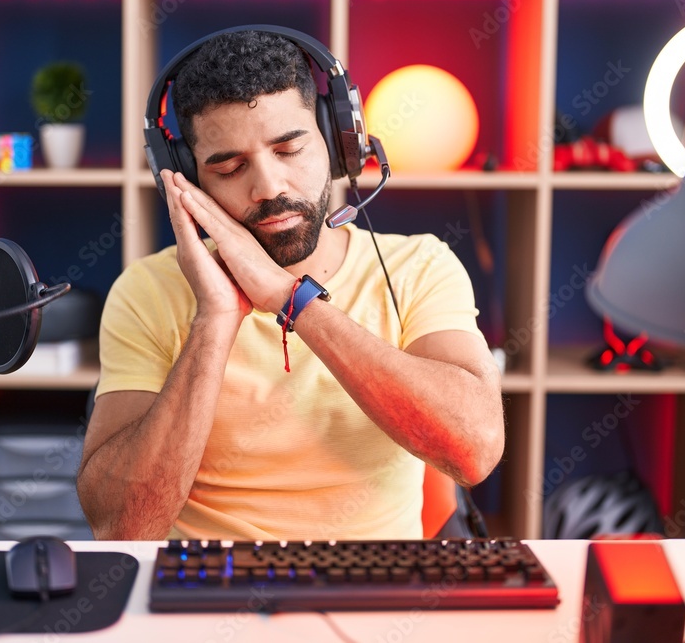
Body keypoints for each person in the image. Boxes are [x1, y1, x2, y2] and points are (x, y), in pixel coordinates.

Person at [76, 28, 504, 541]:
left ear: (339, 142)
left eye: (289, 149)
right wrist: (215, 318)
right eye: (231, 167)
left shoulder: (420, 266)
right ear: (186, 179)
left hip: (373, 589)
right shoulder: (147, 290)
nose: (269, 188)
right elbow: (122, 528)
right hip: (210, 590)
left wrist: (290, 298)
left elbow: (474, 452)